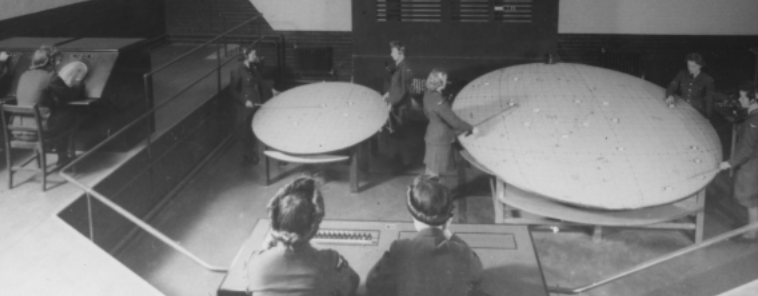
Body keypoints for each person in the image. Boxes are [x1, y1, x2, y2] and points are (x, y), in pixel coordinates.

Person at [366, 175, 484, 296]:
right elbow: (478, 274)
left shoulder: (399, 249)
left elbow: (372, 283)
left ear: (413, 215)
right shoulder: (461, 251)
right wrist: (448, 233)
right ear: (449, 219)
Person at [245, 177, 360, 295]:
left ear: (274, 222)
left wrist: (265, 251)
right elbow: (354, 283)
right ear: (314, 225)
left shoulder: (254, 262)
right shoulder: (329, 261)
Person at [13, 45, 84, 165]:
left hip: (18, 130)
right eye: (57, 61)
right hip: (39, 132)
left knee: (57, 117)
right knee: (69, 116)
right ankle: (63, 158)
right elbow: (70, 95)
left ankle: (43, 158)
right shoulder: (50, 77)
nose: (58, 63)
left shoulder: (24, 75)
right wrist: (78, 84)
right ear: (50, 61)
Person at [719, 83, 758, 241]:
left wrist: (727, 164)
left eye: (742, 97)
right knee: (754, 200)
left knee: (749, 200)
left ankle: (751, 234)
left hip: (751, 166)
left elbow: (745, 150)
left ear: (753, 100)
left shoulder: (751, 122)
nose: (740, 99)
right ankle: (753, 229)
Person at [229, 45, 278, 166]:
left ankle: (251, 155)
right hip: (244, 108)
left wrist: (272, 90)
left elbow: (261, 80)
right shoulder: (237, 69)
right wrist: (244, 101)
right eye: (253, 55)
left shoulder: (251, 68)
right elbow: (233, 90)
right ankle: (246, 158)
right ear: (246, 55)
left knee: (252, 131)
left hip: (254, 104)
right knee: (246, 133)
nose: (255, 57)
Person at [422, 69, 477, 177]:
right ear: (440, 83)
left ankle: (425, 191)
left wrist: (438, 121)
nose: (447, 82)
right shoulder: (439, 101)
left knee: (430, 168)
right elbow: (454, 121)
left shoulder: (427, 95)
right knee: (435, 172)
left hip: (432, 134)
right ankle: (432, 192)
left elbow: (426, 113)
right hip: (440, 140)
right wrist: (471, 128)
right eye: (445, 80)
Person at [665, 53, 715, 118]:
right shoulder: (682, 73)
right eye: (688, 65)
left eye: (693, 66)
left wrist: (708, 117)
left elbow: (710, 100)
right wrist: (670, 95)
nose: (690, 69)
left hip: (697, 111)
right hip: (682, 107)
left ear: (700, 65)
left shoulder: (707, 79)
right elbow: (672, 86)